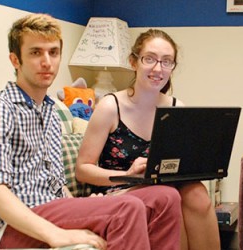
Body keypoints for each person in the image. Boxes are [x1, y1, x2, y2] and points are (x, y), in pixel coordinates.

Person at [0, 13, 181, 249]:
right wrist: (55, 234)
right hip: (14, 225)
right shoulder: (1, 107)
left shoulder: (48, 108)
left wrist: (87, 205)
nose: (47, 62)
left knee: (165, 197)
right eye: (35, 52)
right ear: (15, 60)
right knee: (128, 208)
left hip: (54, 208)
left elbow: (56, 185)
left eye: (53, 52)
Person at [75, 29, 221, 250]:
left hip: (165, 186)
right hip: (122, 189)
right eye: (149, 59)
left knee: (197, 193)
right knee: (170, 197)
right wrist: (126, 175)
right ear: (133, 62)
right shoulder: (110, 106)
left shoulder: (176, 108)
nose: (157, 68)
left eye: (166, 62)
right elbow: (83, 169)